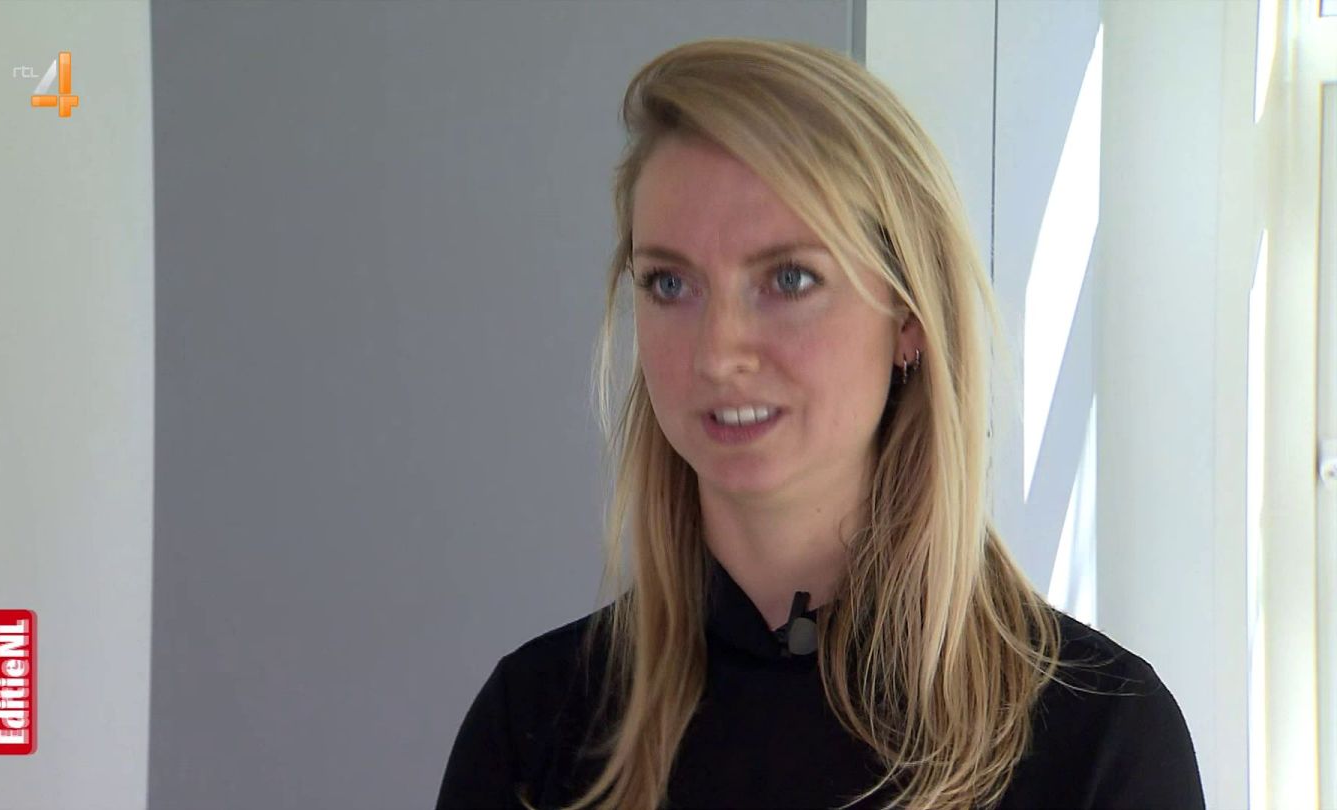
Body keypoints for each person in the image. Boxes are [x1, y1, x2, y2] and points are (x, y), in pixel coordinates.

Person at [435, 37, 1205, 810]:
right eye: (670, 283)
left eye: (789, 278)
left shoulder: (1099, 738)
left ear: (909, 317)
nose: (719, 352)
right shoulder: (536, 728)